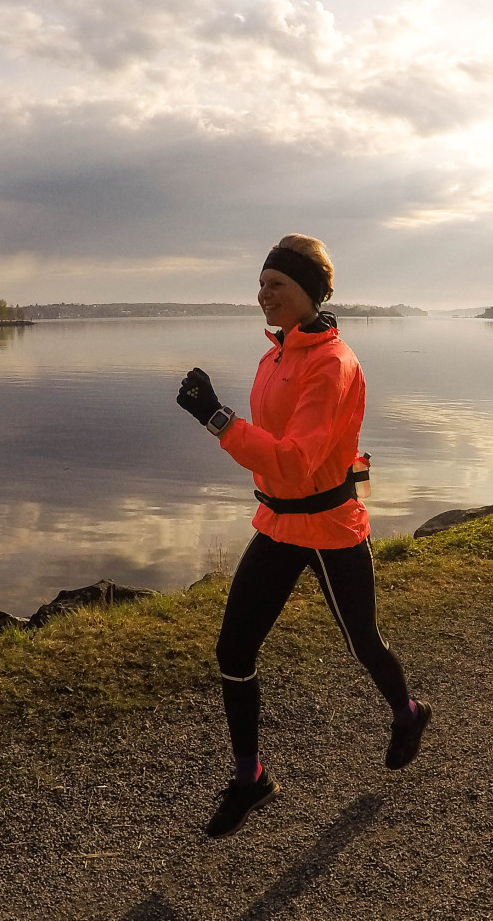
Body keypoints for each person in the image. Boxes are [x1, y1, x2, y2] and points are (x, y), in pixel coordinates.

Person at [177, 234, 431, 839]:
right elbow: (273, 456)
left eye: (277, 285)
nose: (263, 295)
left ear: (310, 294)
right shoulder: (275, 357)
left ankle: (409, 711)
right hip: (279, 524)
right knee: (234, 652)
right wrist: (226, 423)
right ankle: (250, 778)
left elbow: (295, 460)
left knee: (362, 641)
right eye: (261, 283)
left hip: (330, 526)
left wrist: (217, 419)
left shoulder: (332, 364)